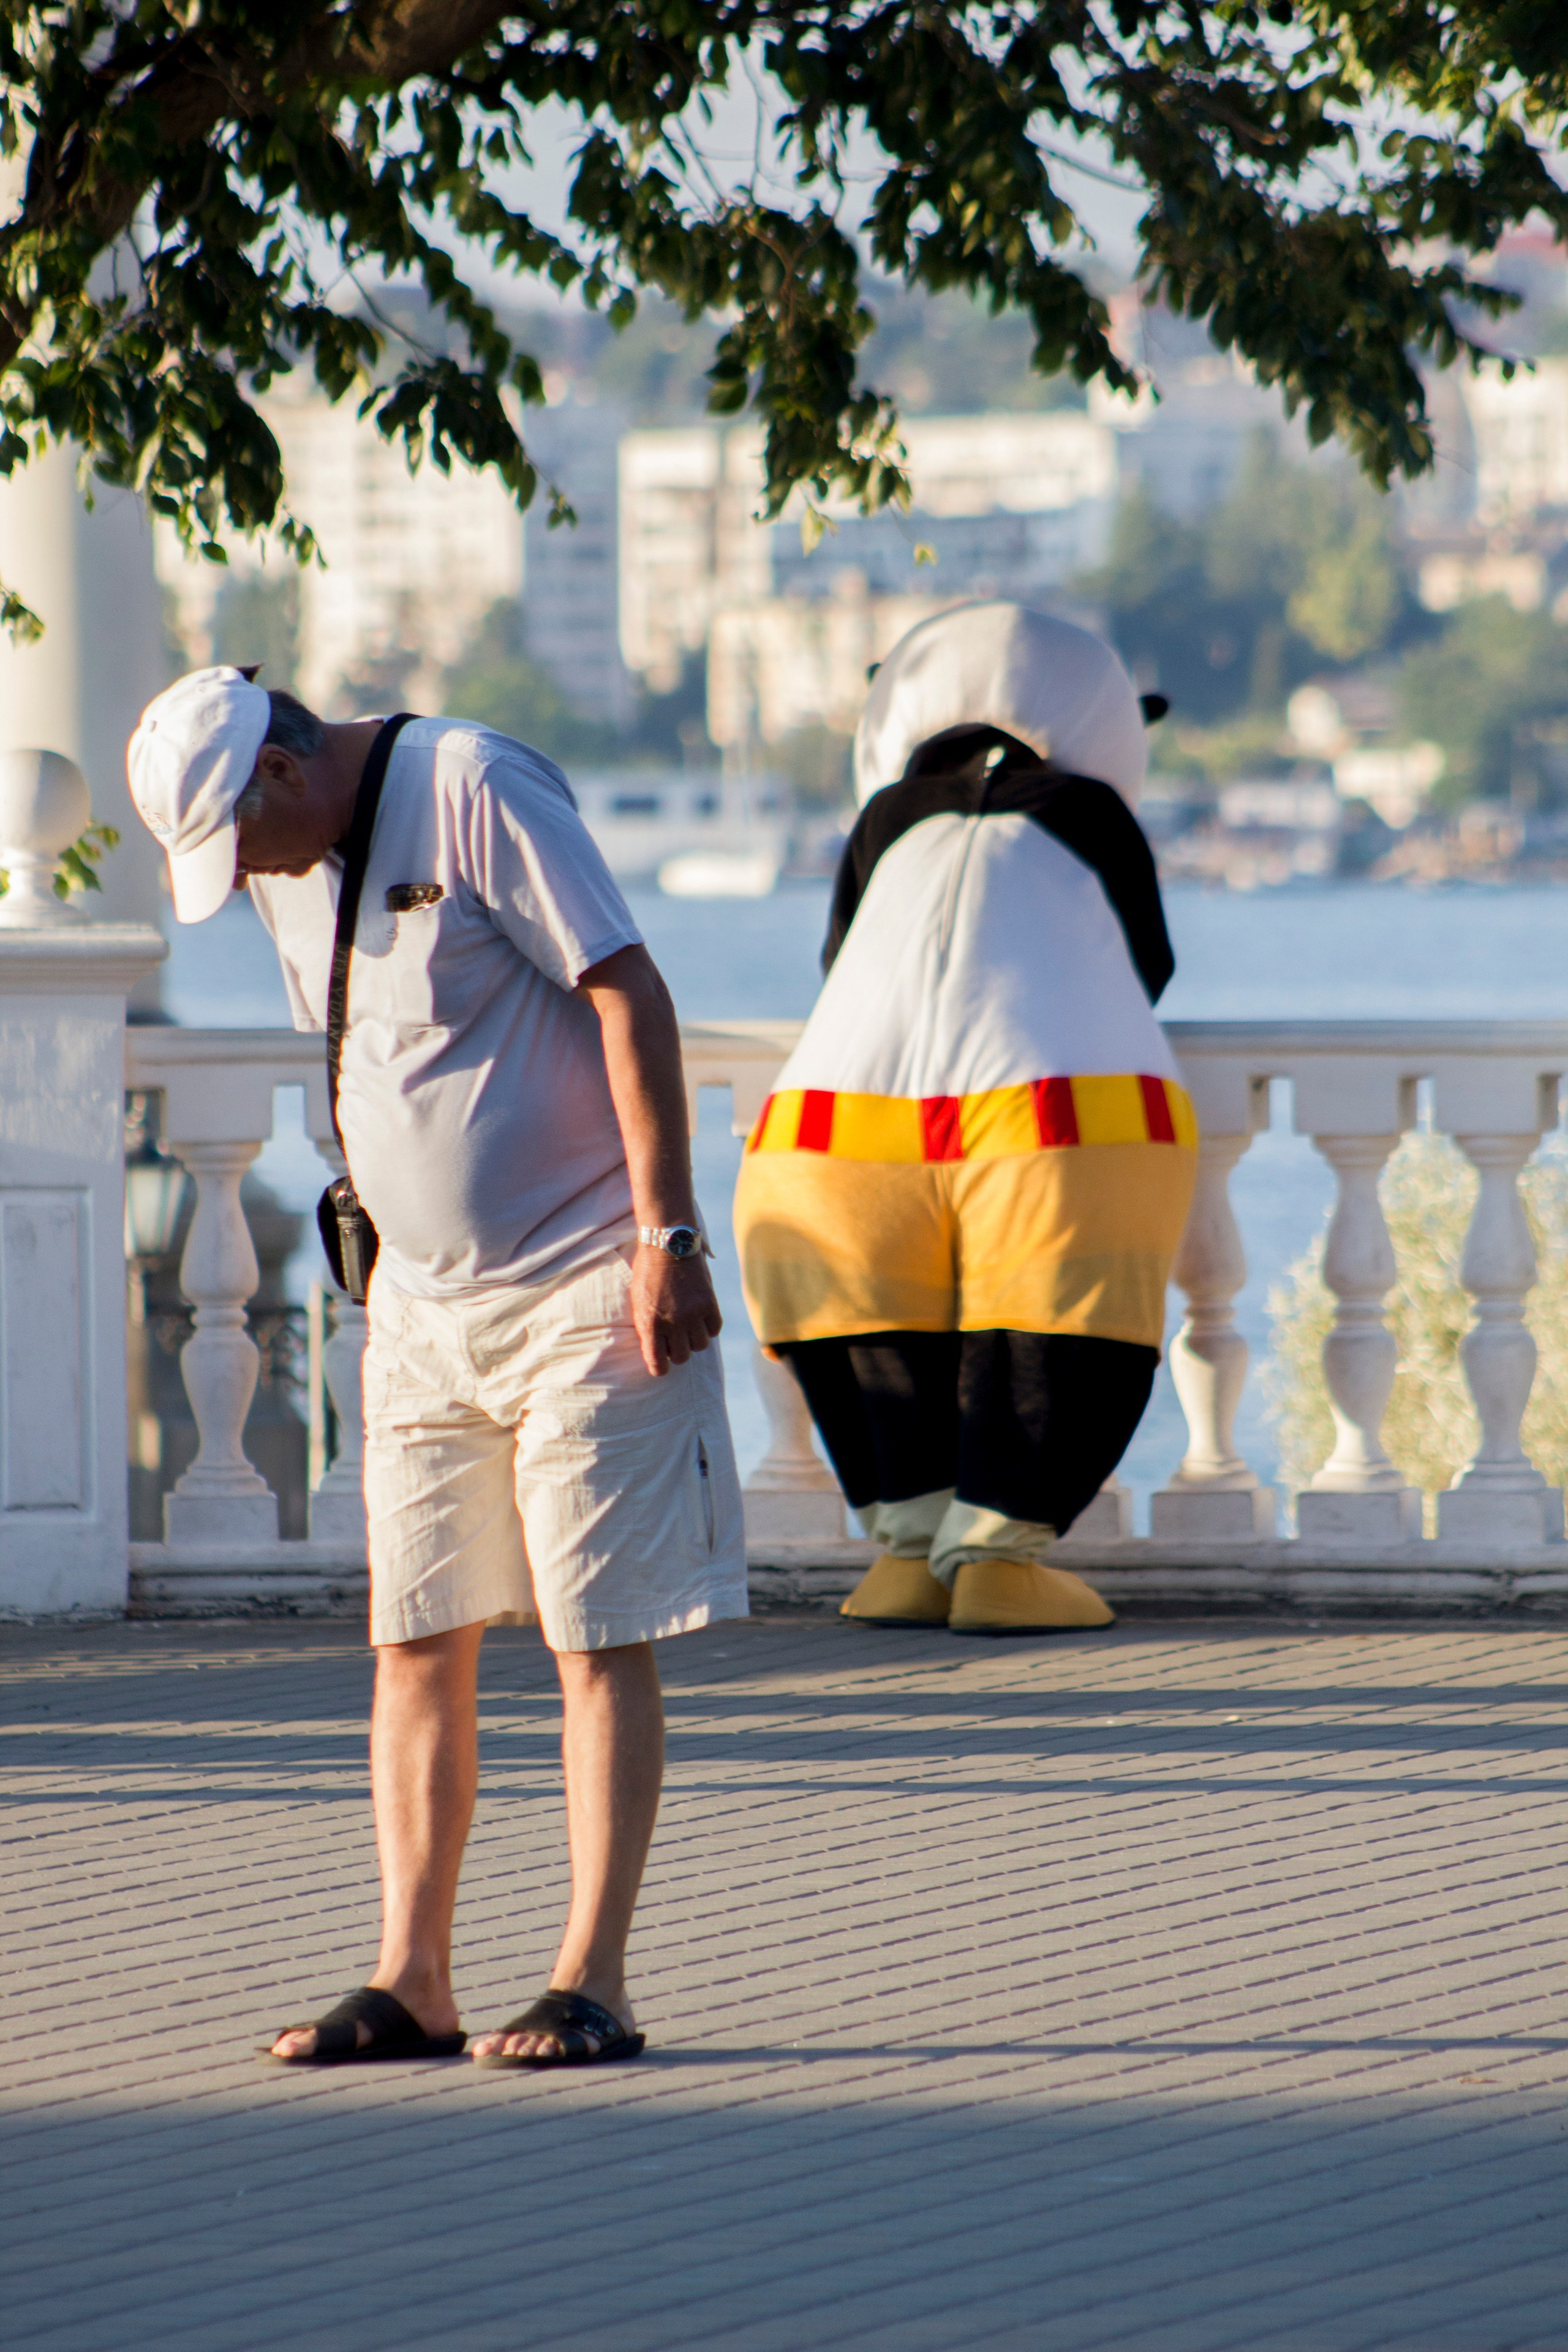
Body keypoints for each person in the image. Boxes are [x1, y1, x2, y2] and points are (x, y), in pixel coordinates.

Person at [127, 668, 747, 2067]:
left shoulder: (473, 786)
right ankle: (412, 1980)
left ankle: (594, 1980)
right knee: (410, 1641)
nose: (242, 882)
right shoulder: (295, 863)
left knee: (595, 1634)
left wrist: (667, 1236)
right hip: (417, 1307)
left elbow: (625, 990)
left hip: (588, 1276)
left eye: (239, 845)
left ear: (283, 771)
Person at [733, 603, 1195, 1634]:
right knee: (1055, 1320)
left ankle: (907, 1548)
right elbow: (1145, 964)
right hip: (1066, 1113)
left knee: (864, 1322)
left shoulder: (887, 819)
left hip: (829, 1123)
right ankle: (998, 1560)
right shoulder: (1093, 815)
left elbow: (838, 957)